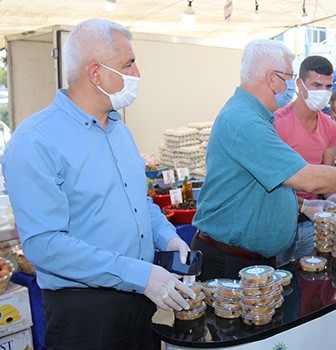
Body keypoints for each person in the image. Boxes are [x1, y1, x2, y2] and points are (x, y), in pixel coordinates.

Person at [1, 19, 195, 350]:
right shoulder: (36, 140)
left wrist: (168, 237)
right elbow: (45, 244)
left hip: (140, 300)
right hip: (85, 312)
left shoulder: (119, 130)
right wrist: (139, 275)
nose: (137, 73)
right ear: (96, 73)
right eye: (128, 64)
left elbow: (139, 202)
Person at [191, 40, 336, 281]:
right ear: (272, 78)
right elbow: (307, 178)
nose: (288, 86)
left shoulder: (254, 116)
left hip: (249, 258)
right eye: (288, 76)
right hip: (230, 262)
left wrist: (311, 205)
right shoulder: (246, 122)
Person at [274, 55, 336, 265]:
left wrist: (333, 198)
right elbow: (273, 182)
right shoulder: (278, 123)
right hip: (281, 221)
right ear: (299, 84)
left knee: (314, 284)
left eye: (328, 86)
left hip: (314, 222)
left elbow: (327, 176)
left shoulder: (330, 127)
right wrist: (304, 205)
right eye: (316, 85)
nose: (323, 92)